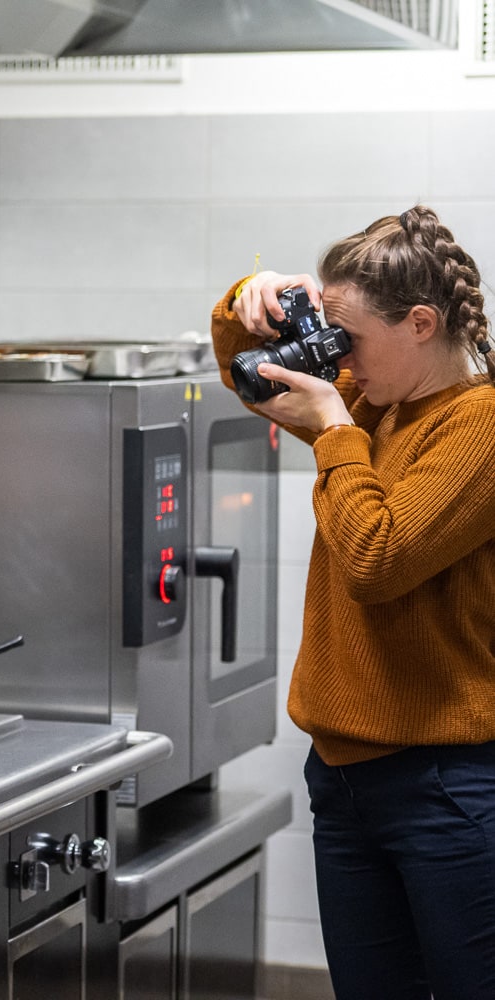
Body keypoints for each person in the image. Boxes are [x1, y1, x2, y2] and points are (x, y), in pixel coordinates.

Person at [211, 205, 495, 1000]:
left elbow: (377, 557)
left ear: (419, 322)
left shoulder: (478, 424)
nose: (338, 360)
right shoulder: (381, 399)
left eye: (349, 340)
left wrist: (336, 426)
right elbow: (257, 379)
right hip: (342, 777)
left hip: (442, 780)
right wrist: (253, 298)